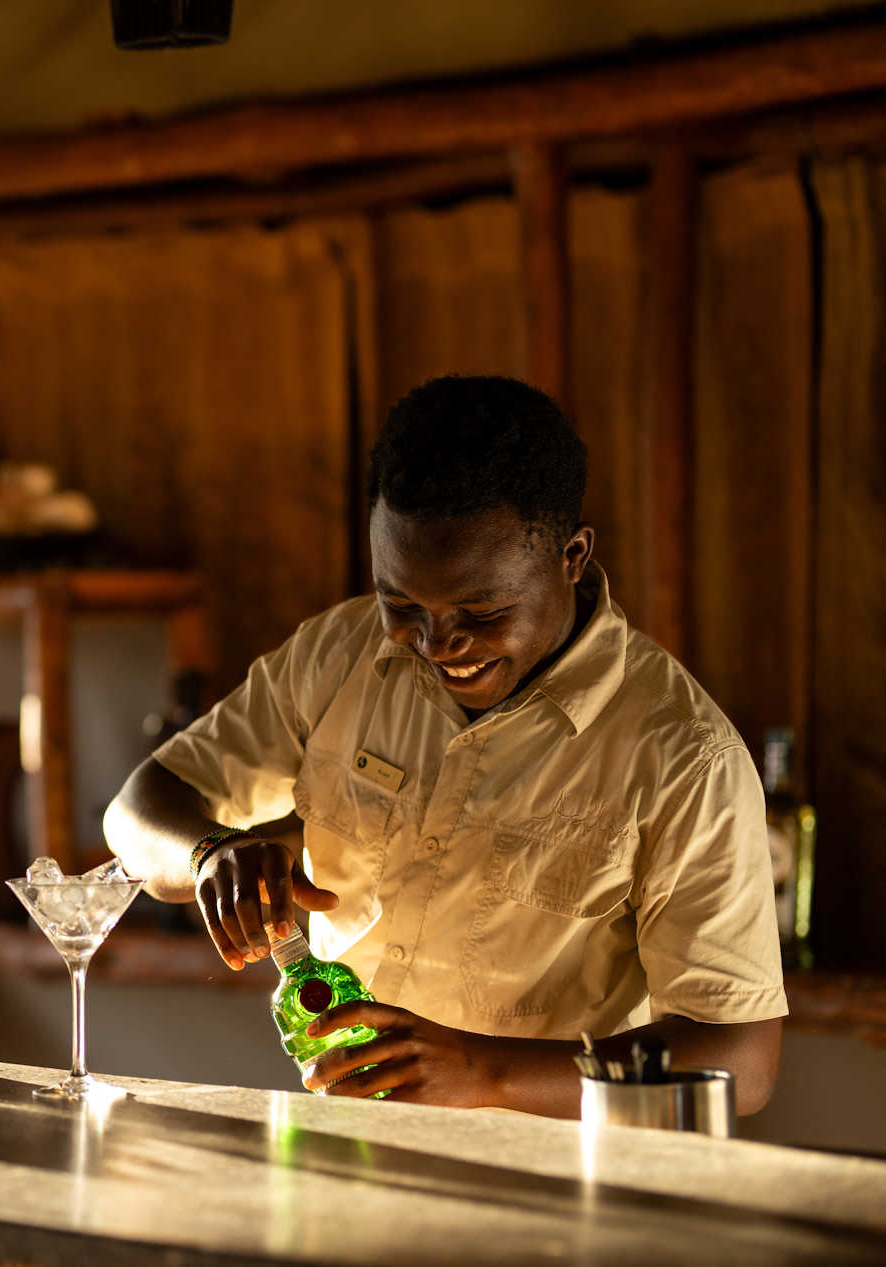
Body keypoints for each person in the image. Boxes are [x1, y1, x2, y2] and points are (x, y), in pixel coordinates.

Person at [104, 375, 785, 1116]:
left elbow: (741, 1060)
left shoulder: (684, 756)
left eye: (483, 610)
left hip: (556, 1199)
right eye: (401, 603)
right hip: (349, 1155)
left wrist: (486, 1071)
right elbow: (137, 810)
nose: (437, 643)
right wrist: (209, 853)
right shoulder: (341, 653)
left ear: (573, 556)